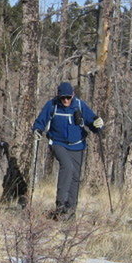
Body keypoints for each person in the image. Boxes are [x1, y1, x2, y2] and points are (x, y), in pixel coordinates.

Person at [32, 81, 104, 219]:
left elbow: (92, 121)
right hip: (57, 142)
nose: (65, 100)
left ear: (73, 95)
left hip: (77, 145)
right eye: (63, 97)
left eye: (68, 97)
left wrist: (97, 124)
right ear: (58, 96)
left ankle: (70, 211)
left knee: (75, 177)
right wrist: (37, 130)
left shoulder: (80, 105)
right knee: (67, 167)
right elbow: (41, 120)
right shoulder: (52, 105)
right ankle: (61, 204)